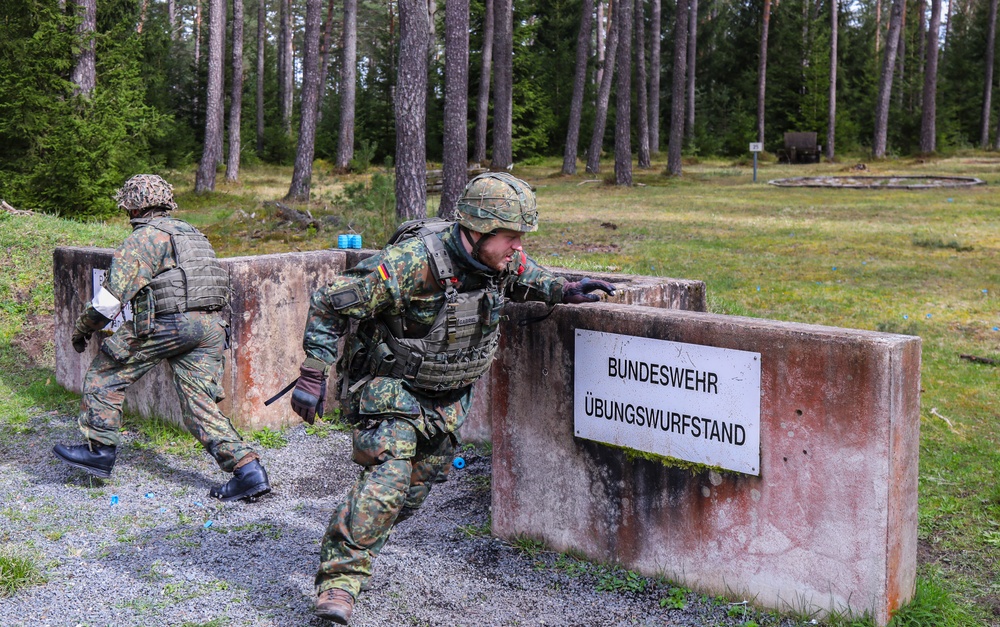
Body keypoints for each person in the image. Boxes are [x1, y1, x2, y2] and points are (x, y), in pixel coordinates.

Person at [290, 172, 615, 624]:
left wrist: (563, 289)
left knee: (411, 495)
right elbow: (329, 302)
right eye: (510, 237)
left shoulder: (498, 259)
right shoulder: (410, 263)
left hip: (446, 396)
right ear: (477, 231)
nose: (518, 247)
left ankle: (355, 529)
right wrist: (311, 373)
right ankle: (339, 584)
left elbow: (528, 273)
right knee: (387, 479)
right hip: (392, 386)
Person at [53, 174, 271, 503]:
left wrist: (83, 329)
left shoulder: (144, 239)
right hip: (211, 327)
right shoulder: (191, 233)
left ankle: (98, 451)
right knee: (198, 404)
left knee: (105, 374)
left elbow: (111, 299)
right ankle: (248, 471)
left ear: (131, 207)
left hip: (169, 324)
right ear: (166, 203)